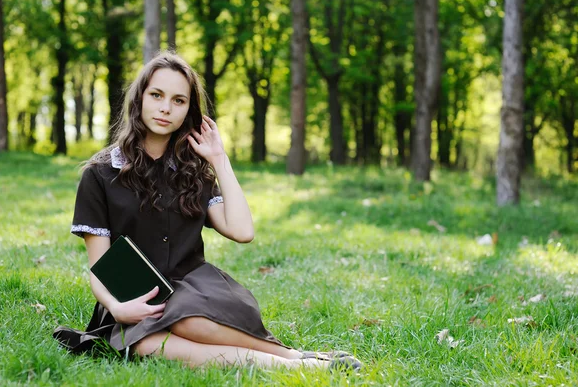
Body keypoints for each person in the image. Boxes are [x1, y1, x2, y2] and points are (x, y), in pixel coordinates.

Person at [53, 51, 362, 371]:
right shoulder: (100, 174)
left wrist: (219, 159)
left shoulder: (193, 171)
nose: (165, 108)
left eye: (178, 100)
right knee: (144, 343)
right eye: (156, 95)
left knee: (184, 320)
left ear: (189, 110)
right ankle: (296, 364)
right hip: (131, 298)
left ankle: (291, 357)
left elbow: (242, 232)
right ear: (140, 99)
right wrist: (116, 308)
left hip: (194, 289)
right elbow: (100, 264)